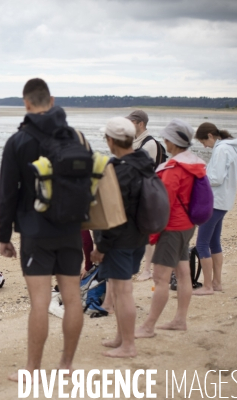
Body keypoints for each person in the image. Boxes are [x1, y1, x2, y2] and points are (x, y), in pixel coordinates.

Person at [0, 78, 86, 381]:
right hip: (72, 228)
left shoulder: (17, 141)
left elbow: (7, 193)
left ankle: (33, 369)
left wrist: (3, 236)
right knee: (73, 298)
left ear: (26, 103)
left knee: (40, 301)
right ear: (52, 100)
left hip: (36, 231)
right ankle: (66, 365)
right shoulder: (76, 137)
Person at [135, 119, 206, 338]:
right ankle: (179, 320)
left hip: (172, 227)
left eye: (167, 138)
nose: (164, 141)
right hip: (187, 225)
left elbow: (161, 206)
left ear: (173, 141)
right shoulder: (195, 164)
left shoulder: (173, 169)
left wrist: (153, 234)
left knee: (160, 278)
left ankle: (148, 326)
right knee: (183, 273)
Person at [90, 117, 154, 357]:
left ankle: (128, 345)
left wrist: (101, 247)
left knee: (123, 291)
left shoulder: (119, 170)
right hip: (138, 236)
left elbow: (113, 214)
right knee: (118, 289)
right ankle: (121, 337)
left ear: (110, 140)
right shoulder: (143, 161)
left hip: (120, 240)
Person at [193, 122, 237, 295]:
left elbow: (216, 178)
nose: (205, 146)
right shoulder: (230, 148)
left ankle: (207, 286)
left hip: (215, 202)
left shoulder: (222, 149)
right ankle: (216, 282)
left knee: (202, 244)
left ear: (210, 136)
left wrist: (199, 174)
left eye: (203, 142)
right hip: (224, 202)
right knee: (214, 242)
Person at [126, 110, 158, 282]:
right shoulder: (135, 141)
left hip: (145, 194)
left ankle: (147, 270)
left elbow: (139, 169)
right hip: (135, 193)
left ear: (140, 123)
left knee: (147, 234)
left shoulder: (149, 143)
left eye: (130, 122)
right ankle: (136, 266)